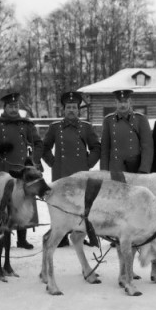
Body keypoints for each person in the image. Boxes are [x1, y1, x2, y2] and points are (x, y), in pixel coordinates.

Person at [0, 92, 43, 249]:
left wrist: (33, 161)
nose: (14, 109)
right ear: (4, 107)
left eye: (16, 106)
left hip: (23, 170)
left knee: (24, 201)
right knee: (2, 203)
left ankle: (22, 237)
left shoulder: (26, 124)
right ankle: (1, 236)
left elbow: (38, 143)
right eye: (10, 106)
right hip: (3, 170)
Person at [42, 91, 101, 247]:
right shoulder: (55, 127)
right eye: (68, 107)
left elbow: (96, 147)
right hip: (60, 171)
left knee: (82, 204)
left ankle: (81, 234)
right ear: (64, 110)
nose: (71, 110)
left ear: (78, 110)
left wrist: (88, 163)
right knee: (61, 204)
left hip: (81, 173)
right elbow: (45, 147)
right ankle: (61, 235)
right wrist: (52, 162)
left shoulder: (86, 127)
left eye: (74, 107)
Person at [100, 89, 153, 174]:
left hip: (135, 168)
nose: (123, 105)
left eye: (125, 102)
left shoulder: (140, 119)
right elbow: (105, 149)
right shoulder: (108, 120)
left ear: (130, 102)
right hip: (115, 169)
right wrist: (104, 171)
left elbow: (147, 147)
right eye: (120, 102)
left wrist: (144, 169)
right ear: (115, 102)